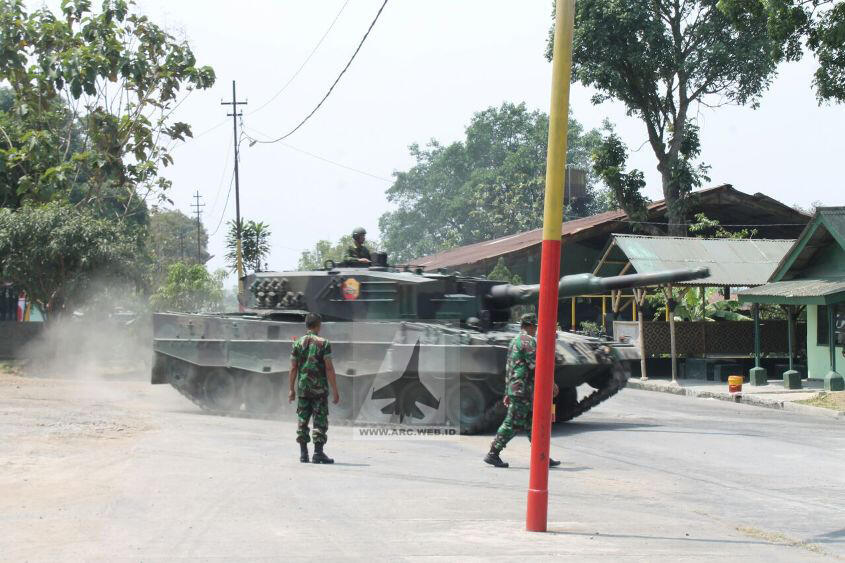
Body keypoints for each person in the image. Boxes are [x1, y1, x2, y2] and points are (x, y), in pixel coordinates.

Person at [484, 313, 561, 468]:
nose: (536, 329)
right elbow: (537, 365)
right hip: (523, 390)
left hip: (518, 388)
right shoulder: (528, 341)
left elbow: (509, 368)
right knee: (512, 422)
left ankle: (542, 455)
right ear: (531, 325)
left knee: (532, 424)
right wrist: (551, 383)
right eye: (536, 326)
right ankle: (493, 453)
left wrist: (507, 391)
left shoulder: (514, 341)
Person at [289, 312, 340, 464]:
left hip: (303, 388)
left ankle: (303, 454)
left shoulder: (297, 343)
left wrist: (291, 389)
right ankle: (318, 453)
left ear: (306, 325)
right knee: (320, 420)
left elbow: (293, 368)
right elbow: (329, 369)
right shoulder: (324, 343)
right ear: (319, 326)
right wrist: (335, 391)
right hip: (319, 390)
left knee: (302, 420)